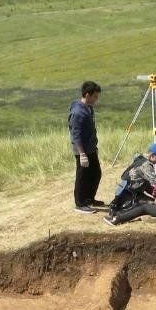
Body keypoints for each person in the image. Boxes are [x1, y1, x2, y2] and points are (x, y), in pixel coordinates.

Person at [68, 80, 102, 213]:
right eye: (95, 97)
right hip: (82, 150)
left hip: (91, 148)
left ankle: (89, 198)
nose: (96, 100)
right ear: (87, 95)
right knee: (82, 176)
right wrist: (82, 154)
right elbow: (75, 134)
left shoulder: (89, 108)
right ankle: (80, 203)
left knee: (95, 173)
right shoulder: (78, 112)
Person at [108, 142, 156, 215]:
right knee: (155, 205)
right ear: (152, 155)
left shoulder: (140, 157)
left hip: (129, 190)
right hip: (131, 195)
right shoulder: (146, 165)